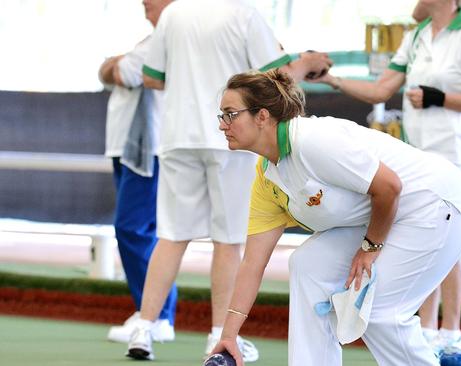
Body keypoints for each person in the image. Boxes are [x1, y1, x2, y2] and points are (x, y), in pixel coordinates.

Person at [210, 69, 461, 366]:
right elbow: (252, 264)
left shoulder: (312, 140)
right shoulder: (267, 177)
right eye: (221, 115)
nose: (223, 125)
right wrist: (229, 335)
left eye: (230, 114)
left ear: (262, 116)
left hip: (435, 202)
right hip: (386, 213)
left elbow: (389, 188)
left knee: (378, 311)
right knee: (308, 265)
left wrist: (369, 248)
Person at [126, 0, 332, 361]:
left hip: (178, 137)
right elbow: (279, 77)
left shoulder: (173, 13)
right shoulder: (244, 13)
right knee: (228, 240)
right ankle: (218, 336)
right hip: (230, 137)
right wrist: (310, 62)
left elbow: (151, 77)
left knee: (172, 235)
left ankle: (143, 328)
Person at [317, 0, 461, 352]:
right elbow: (382, 89)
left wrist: (439, 98)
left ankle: (452, 333)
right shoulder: (415, 36)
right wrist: (332, 80)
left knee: (451, 242)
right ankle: (428, 329)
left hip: (456, 156)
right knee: (425, 238)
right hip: (418, 156)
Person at [98, 0, 176, 344]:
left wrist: (114, 64)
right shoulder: (149, 41)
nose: (146, 9)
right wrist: (112, 65)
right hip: (127, 150)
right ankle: (155, 313)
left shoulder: (165, 41)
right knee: (141, 231)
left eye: (151, 4)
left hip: (150, 152)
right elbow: (106, 72)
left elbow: (123, 72)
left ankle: (156, 314)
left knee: (132, 229)